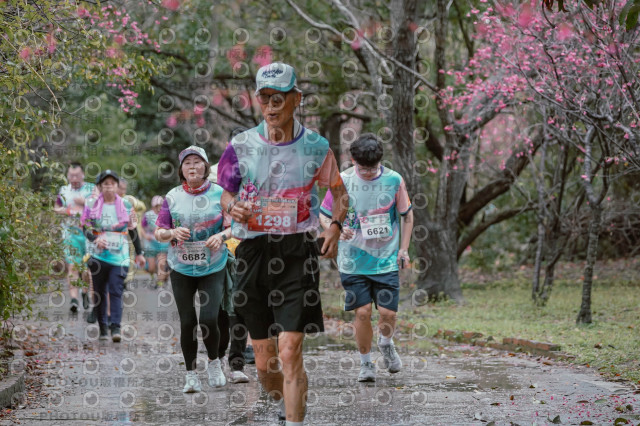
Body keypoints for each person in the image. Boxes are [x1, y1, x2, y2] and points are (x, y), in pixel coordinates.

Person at [217, 62, 348, 425]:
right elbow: (224, 194)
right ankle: (282, 400)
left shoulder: (316, 147)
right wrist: (233, 206)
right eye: (265, 99)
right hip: (252, 252)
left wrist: (335, 228)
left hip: (295, 252)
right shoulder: (240, 145)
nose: (271, 106)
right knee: (265, 364)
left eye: (279, 98)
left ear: (296, 99)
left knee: (290, 352)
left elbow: (340, 193)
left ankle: (294, 419)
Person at [319, 133, 413, 382]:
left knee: (388, 313)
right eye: (364, 168)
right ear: (353, 161)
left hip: (386, 260)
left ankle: (386, 343)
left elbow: (407, 215)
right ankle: (366, 364)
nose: (369, 173)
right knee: (362, 312)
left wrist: (403, 249)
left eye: (373, 168)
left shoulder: (394, 180)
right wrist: (336, 229)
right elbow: (324, 215)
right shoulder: (343, 181)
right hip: (353, 261)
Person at [155, 146, 231, 393]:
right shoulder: (172, 196)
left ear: (206, 167)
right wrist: (172, 233)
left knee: (209, 318)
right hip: (181, 267)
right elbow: (159, 231)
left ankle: (214, 363)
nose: (192, 167)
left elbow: (235, 227)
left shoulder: (220, 193)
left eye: (197, 162)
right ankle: (190, 375)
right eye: (187, 163)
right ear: (181, 170)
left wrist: (221, 236)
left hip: (213, 265)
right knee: (188, 321)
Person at [81, 170, 145, 342]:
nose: (109, 186)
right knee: (99, 293)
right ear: (100, 186)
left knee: (116, 290)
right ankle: (103, 328)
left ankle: (115, 327)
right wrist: (95, 239)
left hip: (119, 257)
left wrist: (139, 253)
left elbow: (132, 231)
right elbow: (85, 228)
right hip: (97, 256)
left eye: (112, 183)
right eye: (105, 184)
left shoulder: (126, 205)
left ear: (117, 186)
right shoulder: (91, 204)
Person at [54, 162, 95, 313]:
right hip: (70, 233)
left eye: (77, 175)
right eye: (71, 175)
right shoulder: (64, 190)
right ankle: (73, 299)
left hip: (89, 233)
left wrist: (84, 203)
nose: (74, 178)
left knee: (87, 268)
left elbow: (99, 206)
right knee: (72, 266)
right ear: (67, 176)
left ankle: (84, 292)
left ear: (83, 174)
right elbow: (56, 207)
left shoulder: (91, 188)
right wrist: (68, 211)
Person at [140, 196, 170, 289]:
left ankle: (160, 284)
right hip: (151, 244)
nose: (159, 208)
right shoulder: (148, 215)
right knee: (151, 268)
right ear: (153, 206)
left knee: (161, 264)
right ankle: (155, 275)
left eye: (161, 205)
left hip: (163, 244)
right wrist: (145, 236)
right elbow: (141, 227)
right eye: (157, 206)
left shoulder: (167, 215)